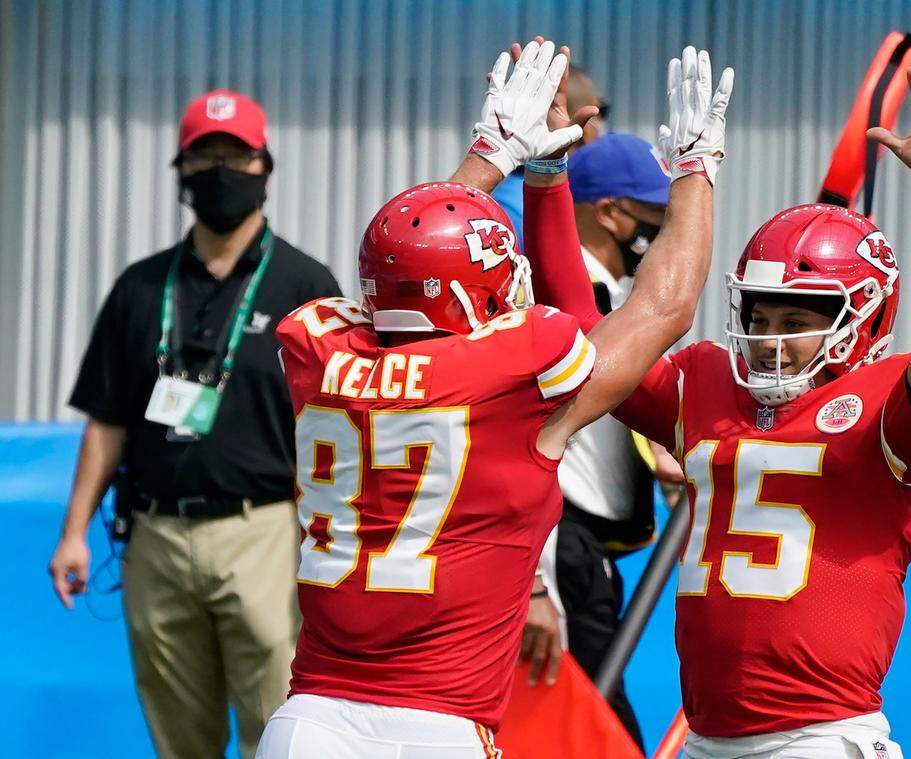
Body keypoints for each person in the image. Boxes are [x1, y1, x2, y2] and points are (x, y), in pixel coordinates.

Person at [255, 39, 733, 758]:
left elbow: (401, 264)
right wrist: (695, 171)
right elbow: (665, 304)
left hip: (308, 720)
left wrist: (492, 154)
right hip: (435, 726)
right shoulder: (511, 379)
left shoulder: (320, 354)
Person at [527, 62, 911, 758]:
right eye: (760, 312)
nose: (769, 334)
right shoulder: (709, 384)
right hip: (705, 738)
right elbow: (583, 330)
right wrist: (544, 175)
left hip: (819, 737)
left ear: (863, 319)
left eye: (796, 317)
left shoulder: (885, 404)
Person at [47, 89, 341, 759]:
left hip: (264, 531)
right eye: (204, 156)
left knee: (280, 729)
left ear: (265, 166)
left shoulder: (305, 285)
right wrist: (72, 532)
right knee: (179, 739)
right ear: (180, 172)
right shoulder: (141, 288)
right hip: (154, 534)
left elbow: (337, 426)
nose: (219, 171)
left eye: (235, 156)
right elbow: (107, 419)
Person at [523, 131, 689, 750]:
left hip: (590, 549)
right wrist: (535, 580)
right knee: (596, 728)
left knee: (588, 719)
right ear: (611, 213)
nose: (665, 230)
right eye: (656, 214)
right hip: (560, 542)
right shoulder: (552, 301)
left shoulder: (622, 298)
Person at [491, 62, 608, 242]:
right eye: (602, 111)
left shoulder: (506, 193)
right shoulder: (523, 207)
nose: (601, 126)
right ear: (584, 123)